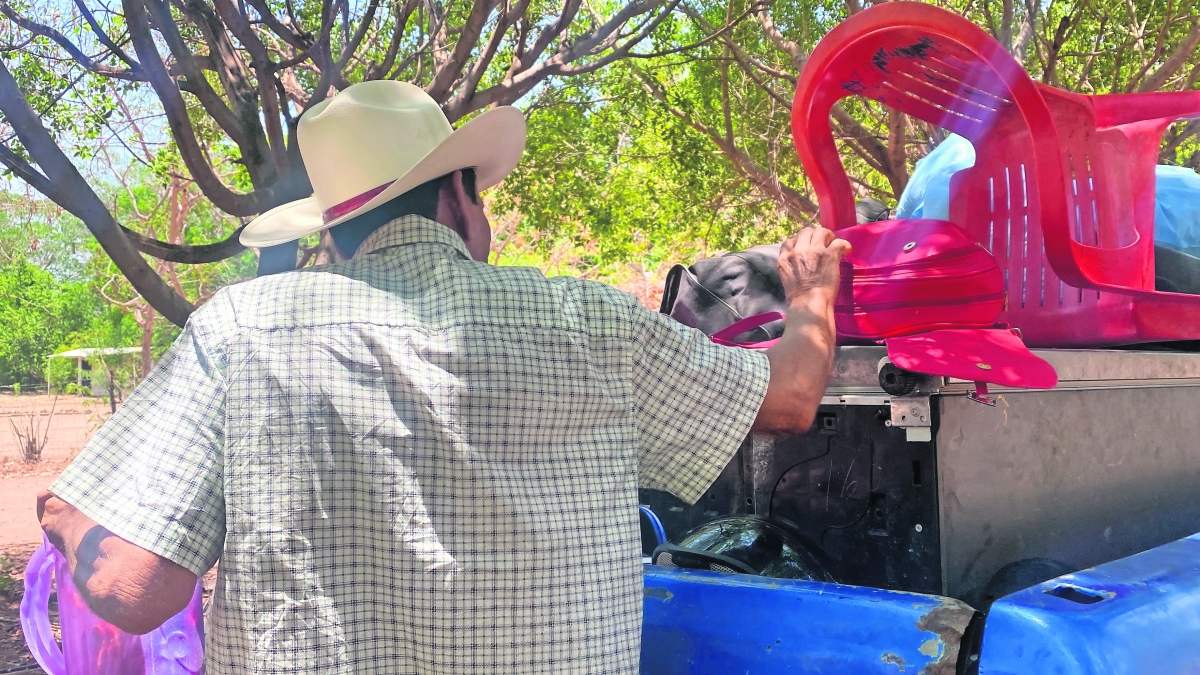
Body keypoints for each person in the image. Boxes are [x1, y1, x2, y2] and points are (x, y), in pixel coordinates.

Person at [38, 81, 850, 673]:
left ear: (334, 234)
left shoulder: (243, 329)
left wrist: (69, 522)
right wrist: (811, 291)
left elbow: (133, 586)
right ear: (461, 199)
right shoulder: (592, 323)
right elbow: (789, 399)